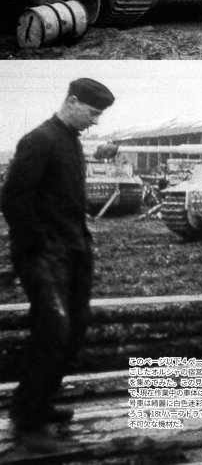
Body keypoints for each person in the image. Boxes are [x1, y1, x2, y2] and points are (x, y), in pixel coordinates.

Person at [1, 79, 115, 453]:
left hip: (74, 250)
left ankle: (42, 402)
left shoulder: (71, 142)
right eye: (93, 113)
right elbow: (14, 199)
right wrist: (39, 245)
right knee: (53, 331)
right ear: (72, 101)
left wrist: (80, 240)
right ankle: (27, 421)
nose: (95, 121)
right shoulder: (40, 140)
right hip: (44, 255)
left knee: (75, 329)